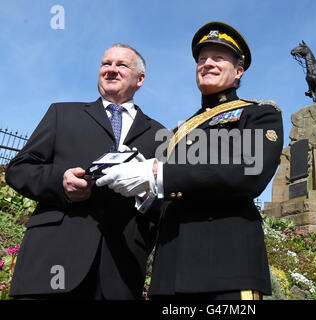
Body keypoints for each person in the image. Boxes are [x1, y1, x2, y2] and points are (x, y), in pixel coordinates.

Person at [98, 21, 284, 300]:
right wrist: (137, 187)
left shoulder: (258, 114)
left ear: (238, 72)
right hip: (170, 271)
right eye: (202, 59)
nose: (207, 63)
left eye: (218, 58)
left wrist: (158, 175)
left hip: (226, 268)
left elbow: (250, 171)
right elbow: (160, 196)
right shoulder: (176, 133)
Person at [5, 43, 165, 299]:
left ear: (140, 78)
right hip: (51, 266)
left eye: (121, 65)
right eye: (106, 64)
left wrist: (145, 197)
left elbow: (166, 204)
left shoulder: (160, 135)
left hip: (119, 276)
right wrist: (61, 181)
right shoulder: (62, 113)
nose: (111, 70)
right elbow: (18, 170)